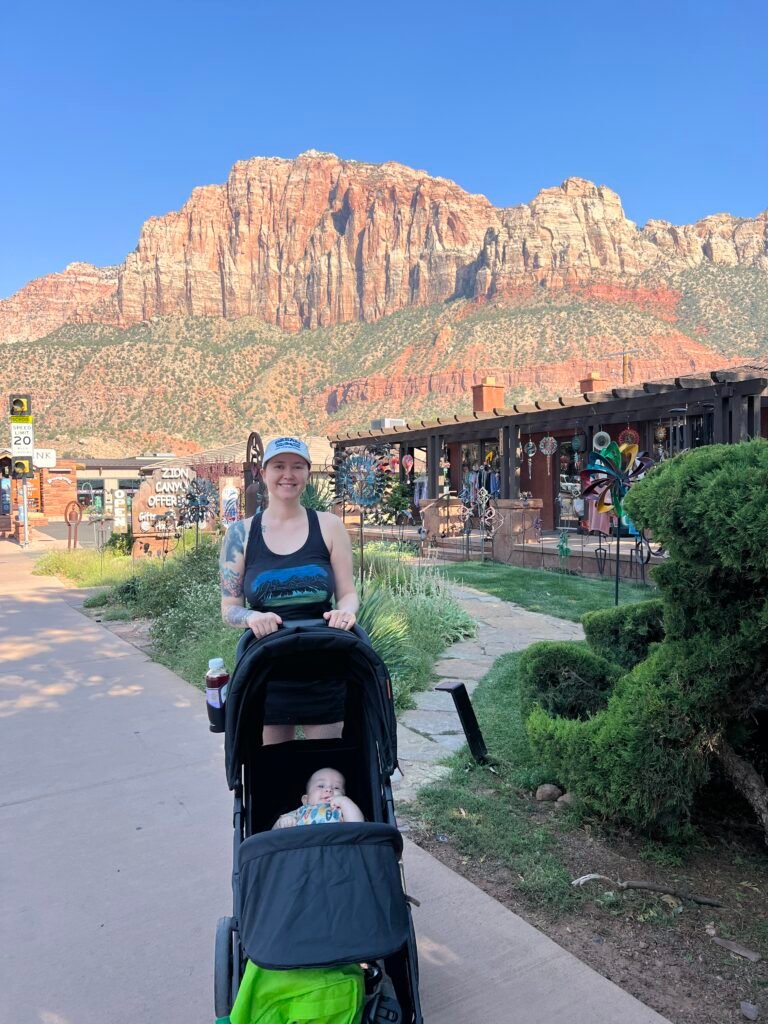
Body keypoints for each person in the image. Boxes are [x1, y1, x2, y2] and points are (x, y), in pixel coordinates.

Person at [219, 436, 359, 744]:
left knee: (328, 769)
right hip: (267, 670)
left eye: (297, 467)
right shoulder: (240, 535)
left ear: (308, 474)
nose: (288, 474)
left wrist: (345, 612)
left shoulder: (330, 526)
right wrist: (252, 618)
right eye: (279, 466)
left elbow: (347, 593)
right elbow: (229, 608)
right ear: (264, 472)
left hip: (324, 665)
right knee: (273, 774)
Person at [273, 767, 364, 829]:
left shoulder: (343, 810)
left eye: (336, 788)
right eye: (320, 786)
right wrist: (282, 823)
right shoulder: (300, 812)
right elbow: (272, 834)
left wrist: (345, 802)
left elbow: (359, 827)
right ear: (305, 800)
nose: (328, 790)